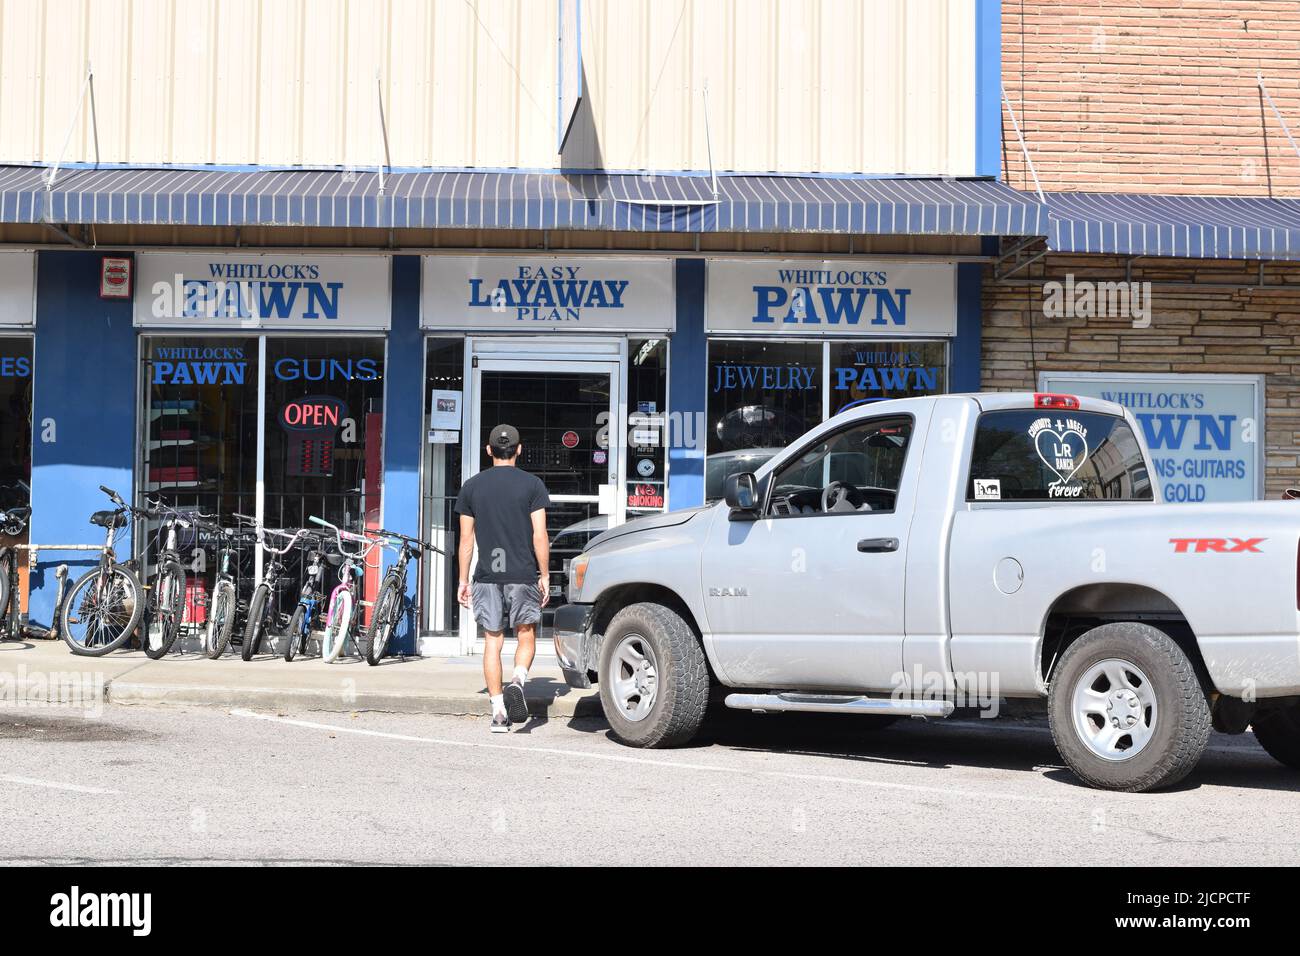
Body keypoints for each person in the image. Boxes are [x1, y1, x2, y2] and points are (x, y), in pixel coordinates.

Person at [455, 424, 551, 732]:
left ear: (488, 450)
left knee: (492, 641)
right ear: (519, 450)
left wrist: (463, 579)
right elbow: (540, 535)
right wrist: (545, 574)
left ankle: (498, 713)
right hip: (522, 573)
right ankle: (518, 681)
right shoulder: (532, 485)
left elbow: (466, 540)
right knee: (526, 635)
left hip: (486, 575)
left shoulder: (472, 486)